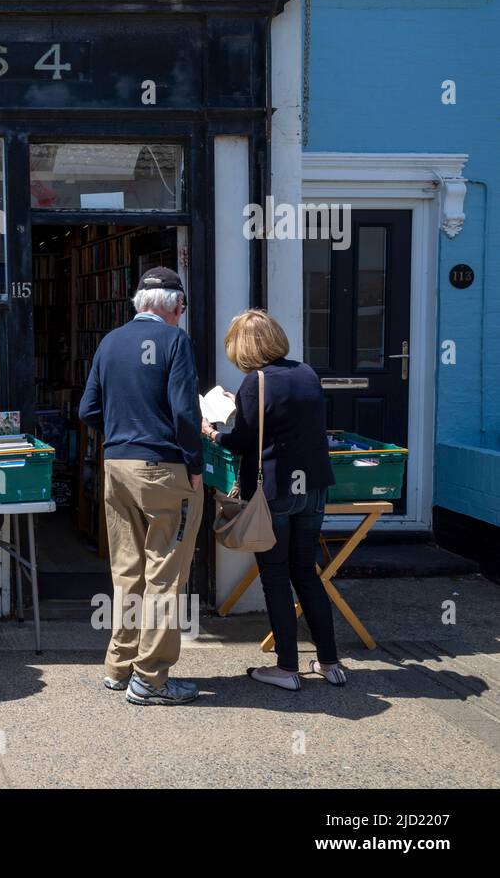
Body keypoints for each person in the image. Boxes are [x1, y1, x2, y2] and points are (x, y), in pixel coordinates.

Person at [79, 267, 204, 706]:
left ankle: (119, 665)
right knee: (165, 576)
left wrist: (120, 436)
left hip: (117, 465)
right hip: (165, 468)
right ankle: (150, 679)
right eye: (182, 309)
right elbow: (186, 411)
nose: (182, 316)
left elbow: (88, 408)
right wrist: (194, 464)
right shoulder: (176, 342)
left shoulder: (110, 341)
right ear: (174, 306)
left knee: (127, 571)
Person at [202, 309, 345, 690]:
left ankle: (286, 667)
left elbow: (240, 442)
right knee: (307, 573)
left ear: (243, 347)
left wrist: (213, 431)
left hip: (273, 492)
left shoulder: (256, 381)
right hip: (312, 487)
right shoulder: (307, 373)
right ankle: (330, 663)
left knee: (276, 576)